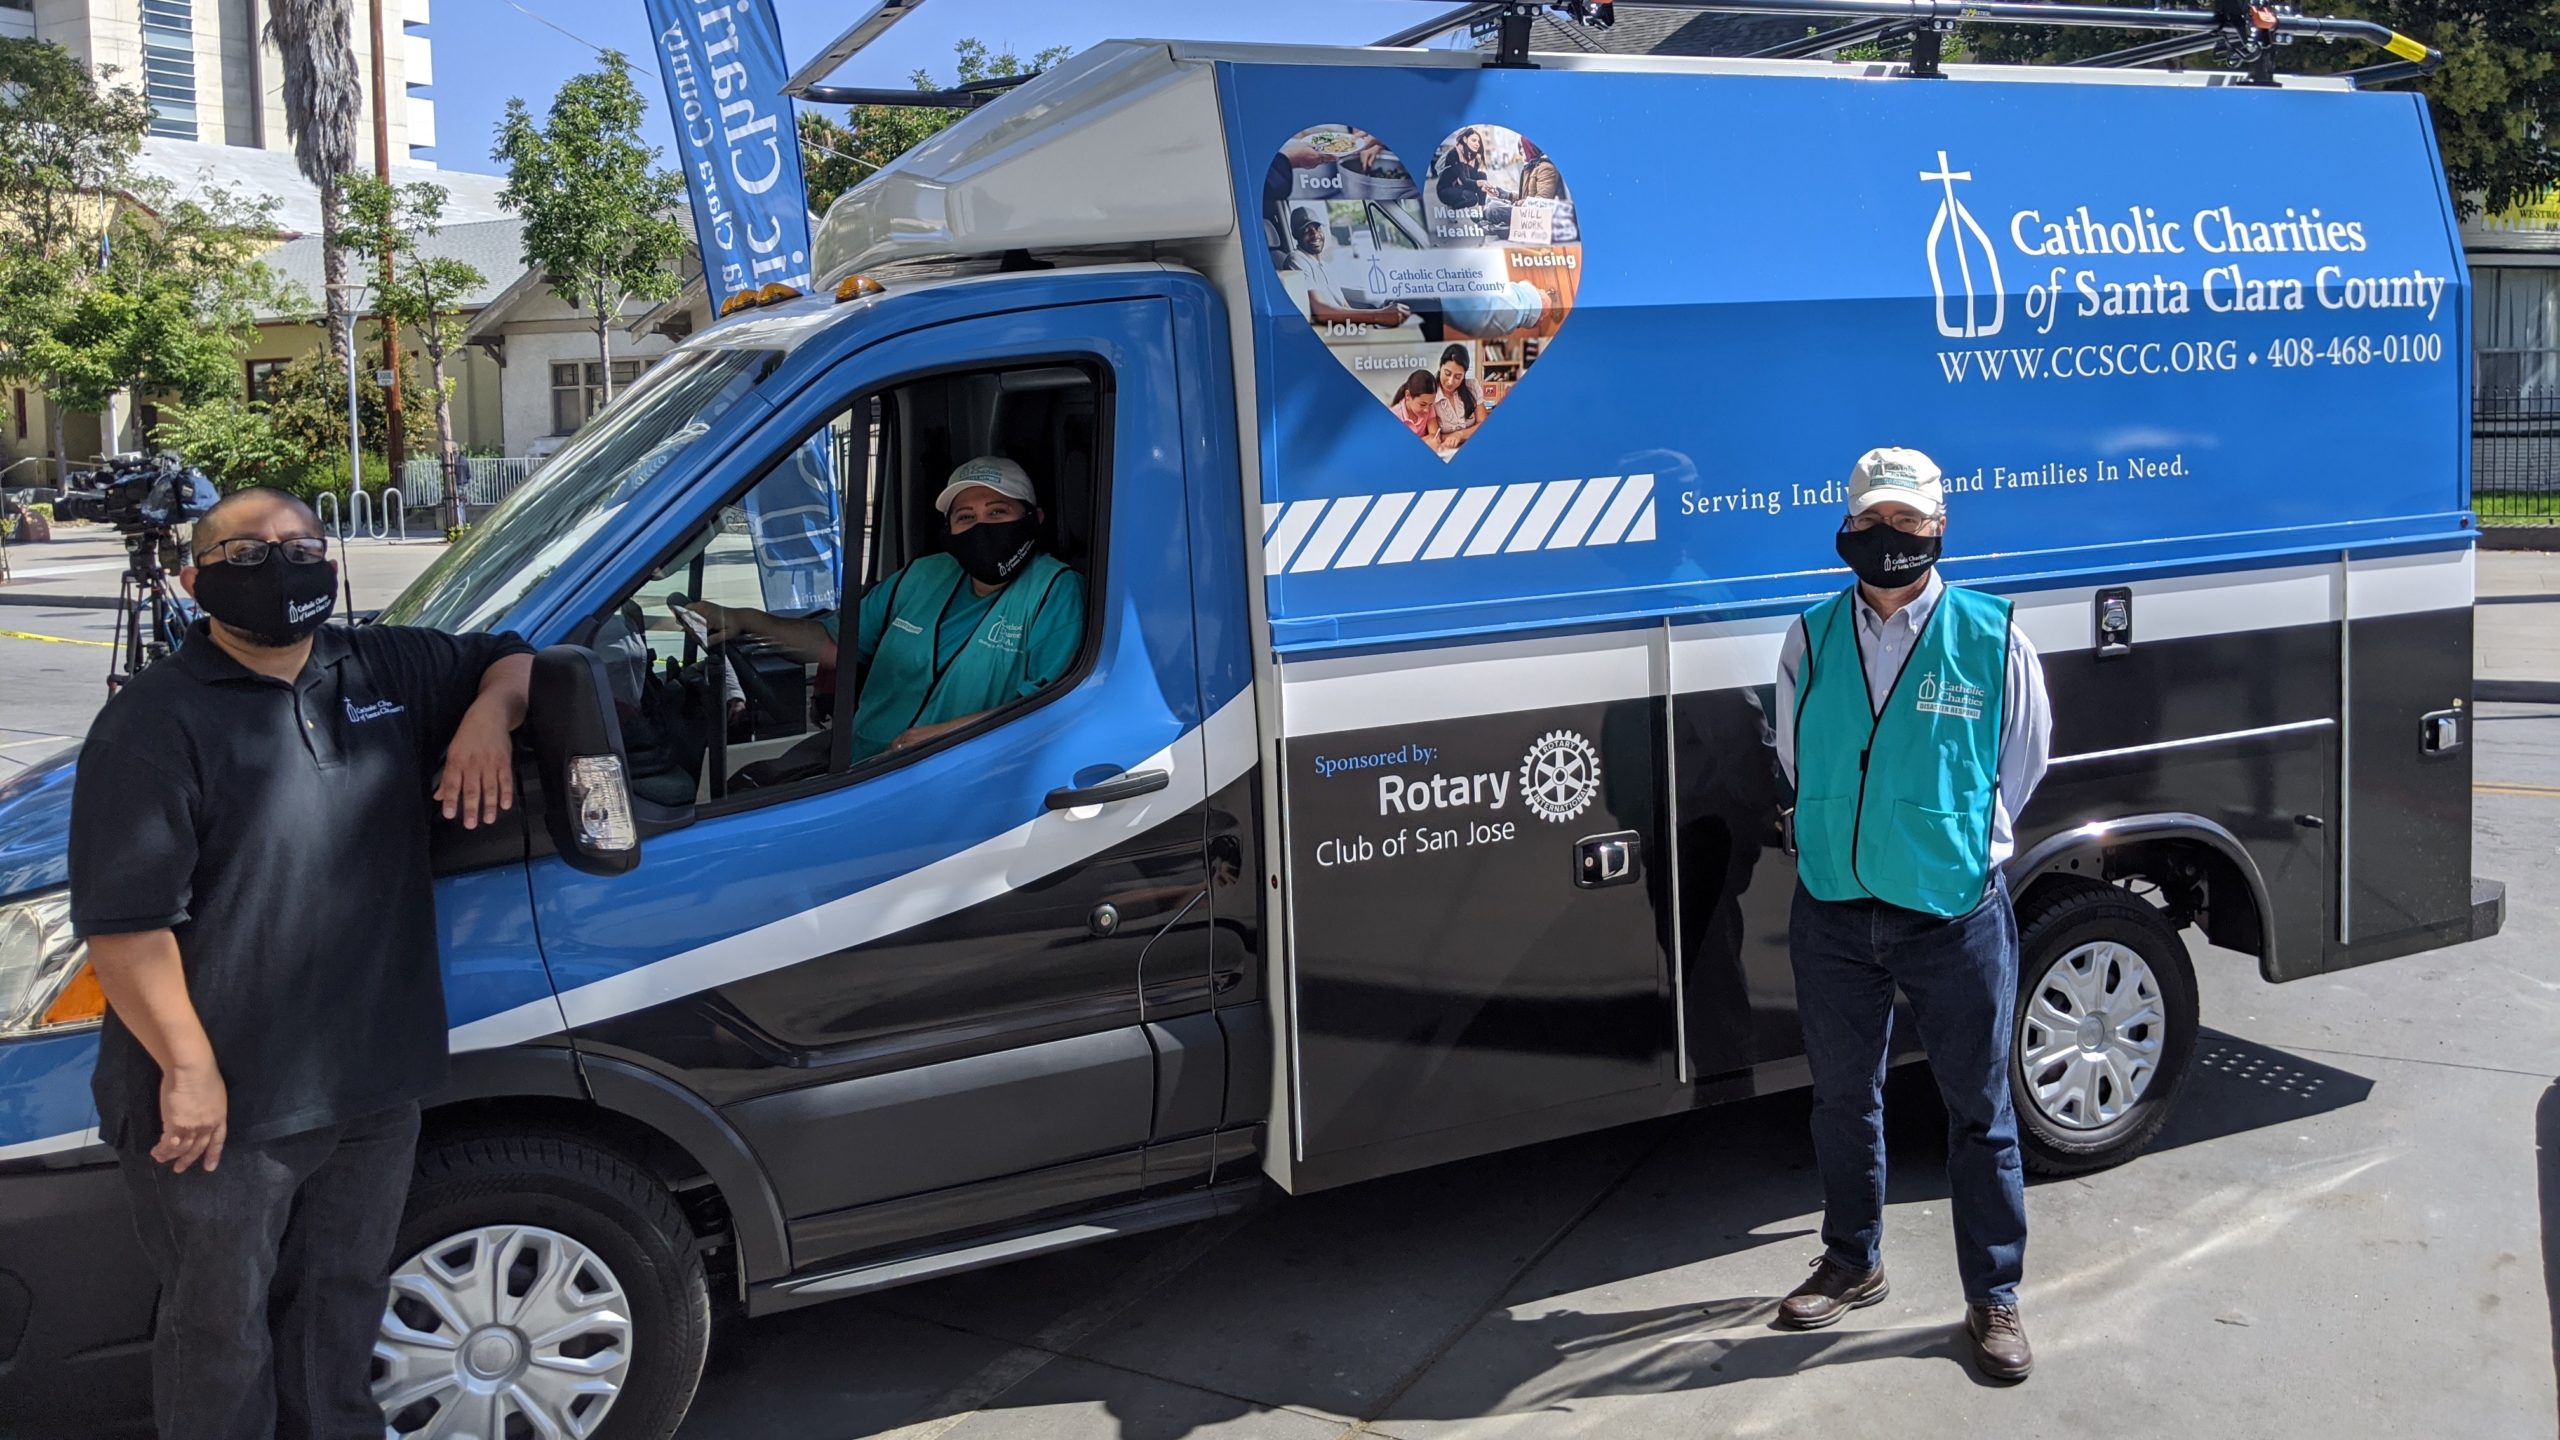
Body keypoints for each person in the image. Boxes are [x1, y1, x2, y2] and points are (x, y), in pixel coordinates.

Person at [66, 486, 533, 1440]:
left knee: (342, 1310)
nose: (284, 564)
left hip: (369, 1080)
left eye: (304, 544)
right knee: (219, 1338)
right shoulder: (153, 723)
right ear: (196, 584)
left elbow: (514, 658)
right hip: (224, 1107)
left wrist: (488, 717)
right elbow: (125, 928)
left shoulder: (381, 662)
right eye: (248, 554)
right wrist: (188, 1071)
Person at [1768, 447, 2052, 1383]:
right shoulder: (1809, 636)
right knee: (1844, 1101)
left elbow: (2023, 763)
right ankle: (1853, 1260)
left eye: (1909, 524)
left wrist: (1954, 845)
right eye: (1875, 523)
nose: (1891, 540)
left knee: (1979, 1111)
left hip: (1951, 913)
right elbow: (1798, 758)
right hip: (1839, 911)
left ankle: (1994, 1295)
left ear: (1939, 528)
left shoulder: (1991, 634)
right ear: (1849, 529)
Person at [688, 456, 1085, 763]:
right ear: (950, 531)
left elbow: (1049, 705)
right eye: (966, 517)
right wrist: (745, 619)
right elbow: (834, 644)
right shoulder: (924, 575)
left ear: (1033, 519)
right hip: (868, 765)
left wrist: (943, 735)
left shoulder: (1055, 589)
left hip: (953, 770)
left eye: (998, 512)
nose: (982, 526)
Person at [1279, 206, 1414, 331]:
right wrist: (1379, 315)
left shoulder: (1325, 266)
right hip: (1327, 334)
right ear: (1296, 235)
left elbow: (1344, 307)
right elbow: (1321, 311)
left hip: (1343, 328)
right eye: (1307, 230)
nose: (1315, 234)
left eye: (1317, 228)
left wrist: (1371, 322)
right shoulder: (1296, 260)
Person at [1433, 345, 1483, 450]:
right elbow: (1433, 436)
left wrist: (1460, 435)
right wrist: (1452, 438)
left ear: (1464, 375)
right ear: (1440, 367)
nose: (1451, 382)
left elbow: (1483, 425)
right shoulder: (1430, 393)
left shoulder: (1472, 386)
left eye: (1458, 377)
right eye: (1447, 373)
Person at [1393, 368, 1441, 443]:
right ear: (1408, 395)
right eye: (1422, 404)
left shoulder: (1428, 407)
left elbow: (1434, 435)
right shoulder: (1395, 415)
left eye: (1430, 404)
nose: (1427, 410)